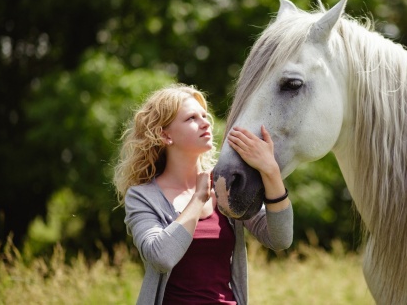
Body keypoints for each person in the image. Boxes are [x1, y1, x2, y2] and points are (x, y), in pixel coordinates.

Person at [113, 84, 293, 305]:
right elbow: (161, 257)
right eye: (191, 118)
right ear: (165, 135)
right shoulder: (142, 197)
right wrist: (198, 198)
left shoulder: (225, 185)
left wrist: (271, 172)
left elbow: (280, 239)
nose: (205, 122)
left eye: (204, 116)